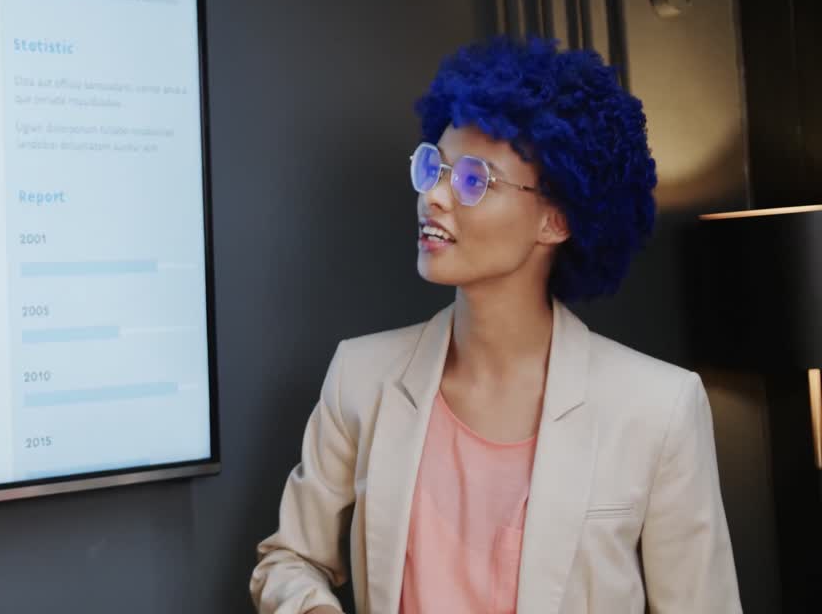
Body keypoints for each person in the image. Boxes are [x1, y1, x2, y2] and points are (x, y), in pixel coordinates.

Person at [249, 37, 741, 614]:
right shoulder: (361, 376)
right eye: (434, 167)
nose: (434, 197)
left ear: (556, 220)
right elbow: (289, 559)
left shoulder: (659, 408)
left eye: (473, 181)